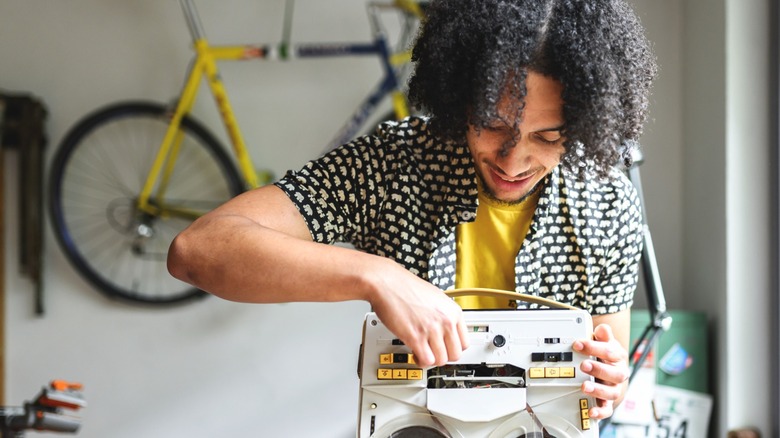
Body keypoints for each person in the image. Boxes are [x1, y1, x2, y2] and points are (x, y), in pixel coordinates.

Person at [167, 0, 657, 421]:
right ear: (458, 98)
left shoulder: (607, 201)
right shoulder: (395, 165)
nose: (512, 160)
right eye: (490, 125)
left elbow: (599, 381)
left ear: (584, 125)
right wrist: (377, 277)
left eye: (547, 138)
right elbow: (197, 250)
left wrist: (608, 388)